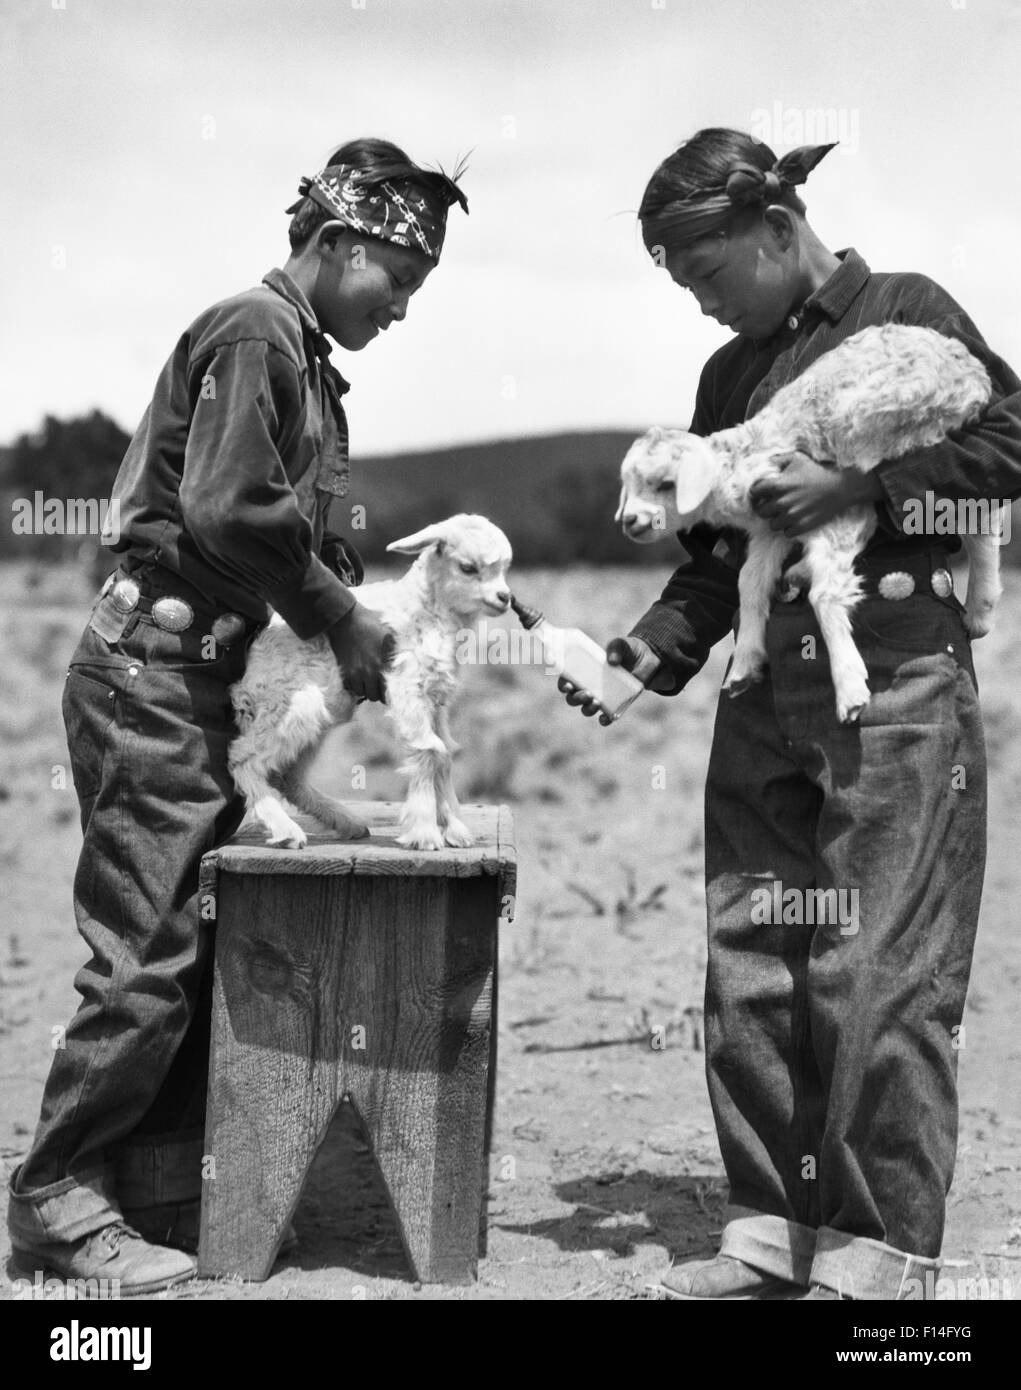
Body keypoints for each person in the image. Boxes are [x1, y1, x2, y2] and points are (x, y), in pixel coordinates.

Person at [563, 128, 1021, 1299]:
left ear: (776, 229)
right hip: (767, 690)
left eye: (709, 276)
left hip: (896, 673)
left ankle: (878, 1253)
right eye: (682, 287)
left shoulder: (908, 310)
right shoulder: (729, 381)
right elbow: (724, 552)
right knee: (754, 950)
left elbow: (1015, 439)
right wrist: (648, 648)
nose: (704, 307)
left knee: (878, 959)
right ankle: (769, 1225)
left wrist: (865, 485)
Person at [8, 139, 468, 1294]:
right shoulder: (254, 333)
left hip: (204, 679)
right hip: (151, 674)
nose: (402, 313)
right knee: (148, 947)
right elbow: (228, 509)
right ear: (339, 242)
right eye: (397, 287)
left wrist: (333, 594)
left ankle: (155, 1182)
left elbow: (276, 520)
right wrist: (341, 619)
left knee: (201, 931)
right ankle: (55, 1194)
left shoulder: (300, 359)